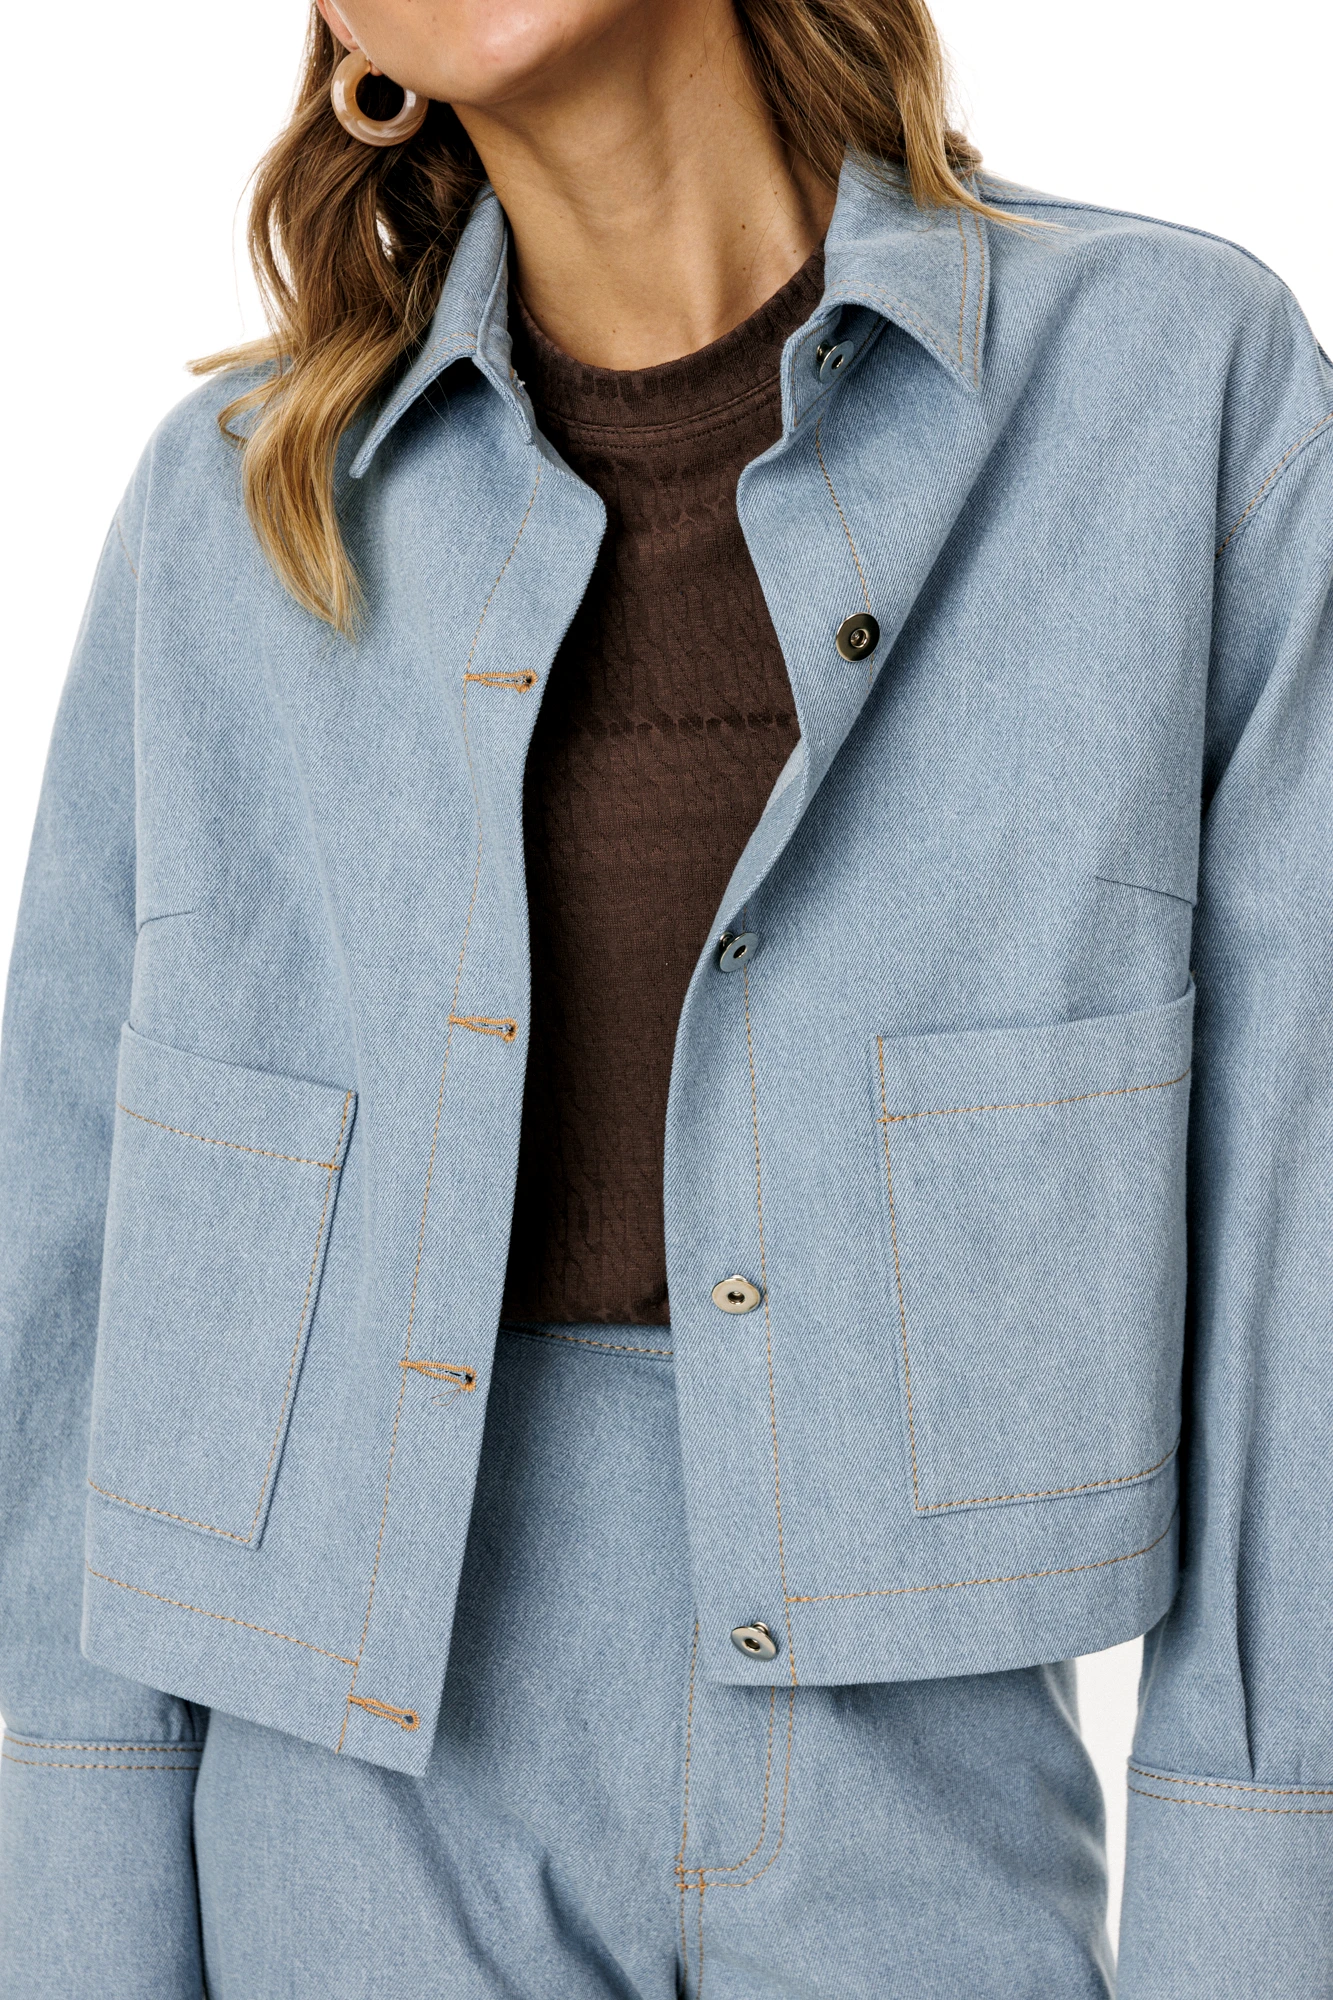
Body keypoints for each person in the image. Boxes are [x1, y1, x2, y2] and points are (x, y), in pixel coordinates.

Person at [1, 0, 1330, 1992]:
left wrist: (1256, 1921)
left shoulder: (1171, 387)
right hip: (349, 1814)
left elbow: (1303, 1238)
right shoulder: (238, 510)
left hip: (925, 1807)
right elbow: (72, 1289)